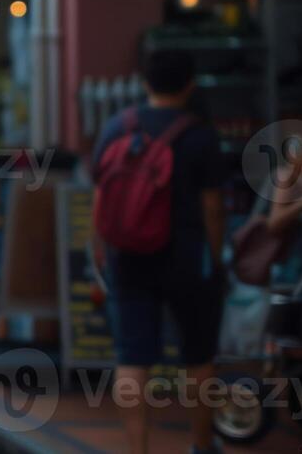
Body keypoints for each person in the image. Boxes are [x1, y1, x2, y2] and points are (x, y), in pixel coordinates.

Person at [92, 49, 226, 454]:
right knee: (198, 358)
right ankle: (202, 446)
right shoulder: (201, 135)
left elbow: (101, 197)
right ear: (189, 84)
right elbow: (214, 208)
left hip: (128, 257)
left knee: (132, 359)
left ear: (145, 83)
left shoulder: (116, 128)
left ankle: (138, 449)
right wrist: (215, 259)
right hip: (187, 259)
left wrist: (102, 252)